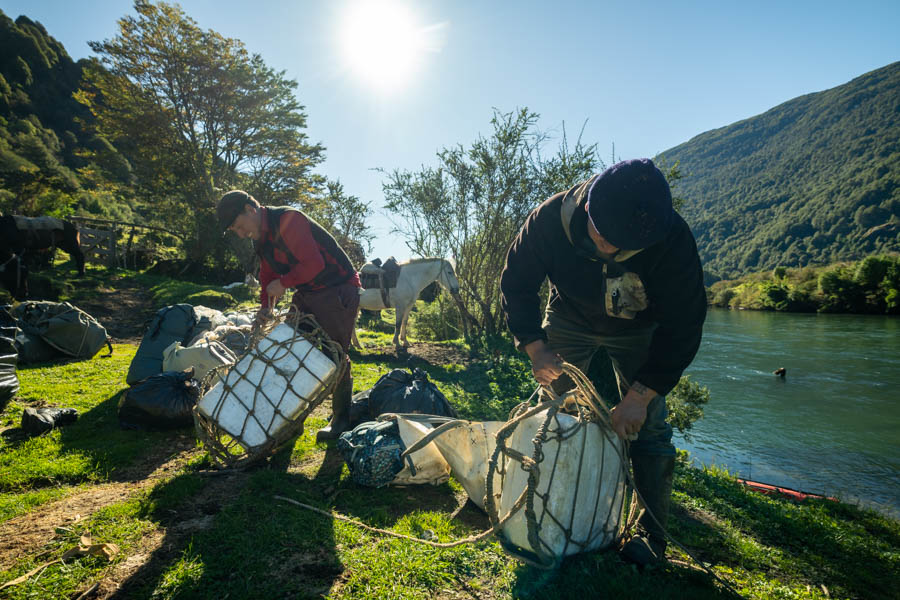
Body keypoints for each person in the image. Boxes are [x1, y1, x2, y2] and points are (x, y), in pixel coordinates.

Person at [500, 159, 707, 567]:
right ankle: (548, 507)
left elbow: (684, 324)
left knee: (649, 426)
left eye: (626, 245)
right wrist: (536, 348)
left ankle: (651, 536)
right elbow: (517, 283)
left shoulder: (672, 239)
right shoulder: (548, 220)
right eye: (605, 238)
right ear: (588, 209)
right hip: (569, 318)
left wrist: (640, 395)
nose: (612, 249)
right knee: (555, 412)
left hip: (639, 327)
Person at [216, 190, 361, 442]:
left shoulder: (289, 220)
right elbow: (267, 278)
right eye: (235, 231)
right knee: (290, 349)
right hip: (308, 290)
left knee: (333, 353)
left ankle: (341, 420)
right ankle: (291, 421)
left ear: (251, 209)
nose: (241, 234)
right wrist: (265, 308)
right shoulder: (260, 239)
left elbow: (314, 264)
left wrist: (284, 284)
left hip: (338, 288)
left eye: (240, 227)